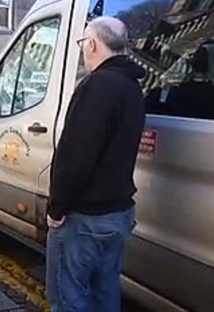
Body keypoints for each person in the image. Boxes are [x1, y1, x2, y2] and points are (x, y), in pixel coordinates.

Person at [46, 16, 146, 312]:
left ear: (91, 44)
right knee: (105, 293)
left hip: (86, 217)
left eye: (83, 43)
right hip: (118, 213)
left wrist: (57, 208)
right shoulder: (131, 86)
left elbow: (76, 154)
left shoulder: (98, 85)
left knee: (68, 298)